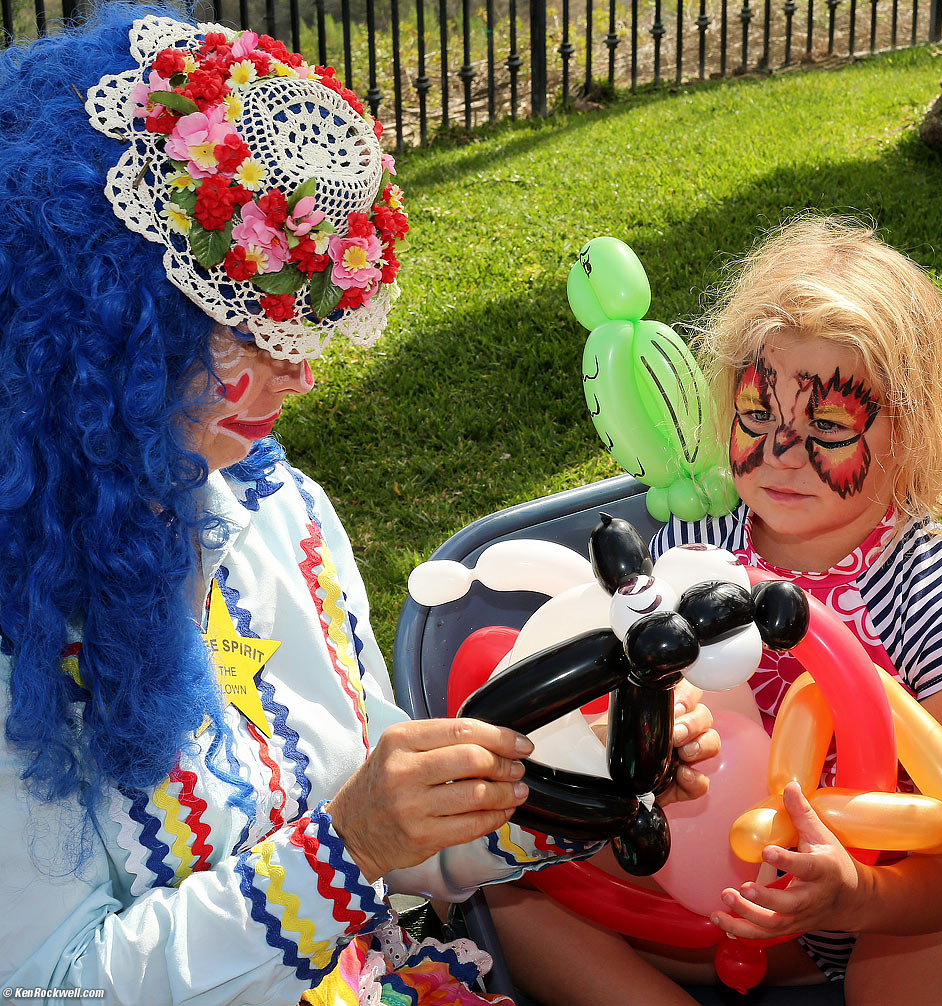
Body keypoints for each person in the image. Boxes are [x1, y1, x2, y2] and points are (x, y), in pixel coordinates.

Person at [0, 7, 720, 1003]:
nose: (295, 377)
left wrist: (590, 775)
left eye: (306, 328)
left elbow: (393, 824)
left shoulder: (274, 507)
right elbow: (51, 985)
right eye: (239, 334)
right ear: (91, 329)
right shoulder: (19, 615)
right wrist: (341, 849)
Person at [487, 217, 942, 1004]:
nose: (783, 453)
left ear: (915, 429)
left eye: (827, 425)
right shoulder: (696, 541)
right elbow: (603, 697)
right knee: (511, 891)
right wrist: (633, 729)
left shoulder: (932, 586)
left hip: (869, 916)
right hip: (685, 900)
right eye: (758, 415)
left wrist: (859, 895)